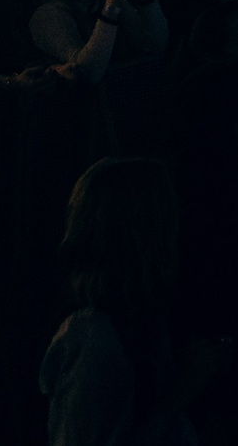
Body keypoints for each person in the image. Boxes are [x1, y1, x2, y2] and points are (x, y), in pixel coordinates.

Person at [41, 155, 211, 446]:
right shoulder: (96, 343)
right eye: (167, 218)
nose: (178, 229)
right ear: (143, 236)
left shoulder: (138, 323)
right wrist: (179, 394)